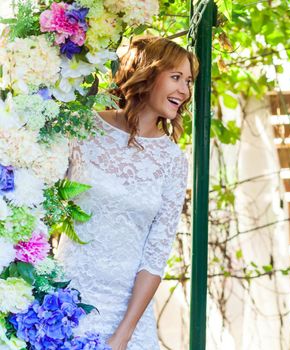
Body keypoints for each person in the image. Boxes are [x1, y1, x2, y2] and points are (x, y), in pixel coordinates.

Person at [56, 36, 198, 350]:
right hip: (64, 301)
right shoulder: (83, 129)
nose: (184, 91)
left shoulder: (173, 161)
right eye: (175, 78)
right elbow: (43, 202)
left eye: (188, 82)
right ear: (147, 73)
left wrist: (123, 334)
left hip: (127, 316)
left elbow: (154, 257)